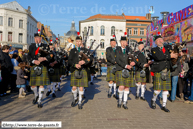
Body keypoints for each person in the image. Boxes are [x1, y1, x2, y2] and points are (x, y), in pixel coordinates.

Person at [150, 33, 178, 112]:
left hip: (167, 71)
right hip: (159, 71)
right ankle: (153, 99)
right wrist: (170, 56)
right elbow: (159, 57)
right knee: (158, 90)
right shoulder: (154, 50)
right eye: (157, 40)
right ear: (156, 42)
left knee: (166, 90)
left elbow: (173, 55)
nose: (159, 41)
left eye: (161, 39)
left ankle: (164, 105)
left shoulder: (167, 48)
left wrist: (175, 54)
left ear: (163, 40)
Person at [27, 31, 51, 108]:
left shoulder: (45, 46)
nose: (36, 39)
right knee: (33, 86)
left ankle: (40, 100)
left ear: (41, 38)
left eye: (38, 38)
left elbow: (50, 56)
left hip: (42, 66)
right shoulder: (31, 46)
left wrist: (44, 58)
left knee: (41, 85)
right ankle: (36, 95)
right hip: (34, 66)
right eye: (35, 38)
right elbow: (28, 57)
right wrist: (34, 61)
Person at [68, 33, 92, 109]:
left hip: (83, 70)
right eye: (77, 41)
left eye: (79, 41)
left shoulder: (85, 50)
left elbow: (90, 59)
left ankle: (79, 102)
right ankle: (75, 98)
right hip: (75, 70)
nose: (78, 42)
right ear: (75, 42)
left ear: (81, 42)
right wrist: (75, 65)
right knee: (74, 88)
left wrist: (85, 62)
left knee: (81, 87)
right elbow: (69, 61)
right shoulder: (72, 50)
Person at [115, 35, 135, 109]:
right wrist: (126, 65)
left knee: (127, 87)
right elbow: (117, 60)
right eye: (122, 41)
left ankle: (125, 102)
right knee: (121, 86)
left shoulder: (129, 50)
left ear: (127, 42)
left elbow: (133, 58)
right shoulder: (117, 49)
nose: (124, 43)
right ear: (120, 42)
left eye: (125, 41)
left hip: (128, 70)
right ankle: (120, 100)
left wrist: (133, 62)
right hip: (120, 69)